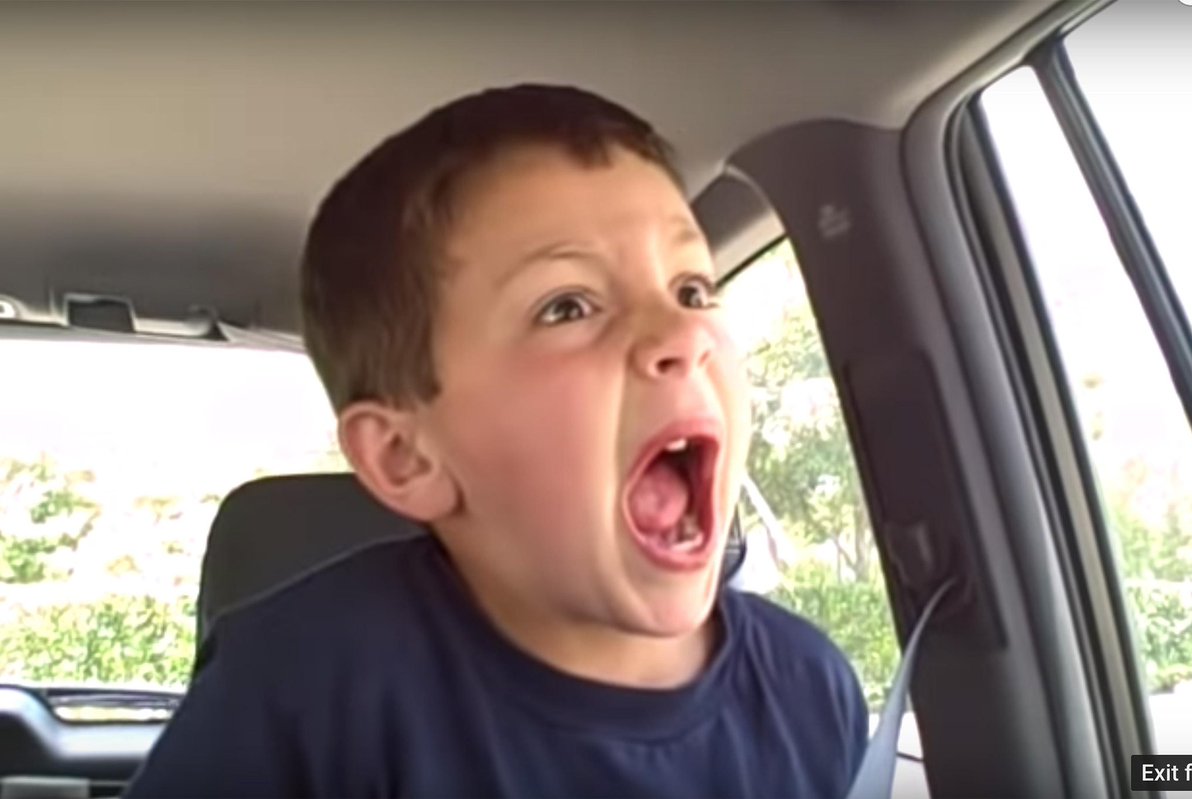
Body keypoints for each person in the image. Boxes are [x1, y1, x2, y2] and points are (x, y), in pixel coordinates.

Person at [126, 84, 868, 798]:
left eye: (692, 290)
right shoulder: (301, 693)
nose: (684, 334)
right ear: (408, 458)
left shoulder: (809, 687)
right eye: (568, 306)